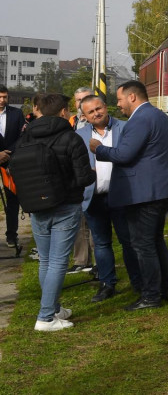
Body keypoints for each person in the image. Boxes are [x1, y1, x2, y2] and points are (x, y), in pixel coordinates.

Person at [90, 81, 168, 311]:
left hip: (144, 193)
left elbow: (124, 154)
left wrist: (98, 148)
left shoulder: (139, 119)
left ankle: (150, 296)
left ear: (132, 97)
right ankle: (162, 290)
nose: (117, 105)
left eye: (119, 100)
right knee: (156, 242)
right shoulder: (159, 116)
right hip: (160, 189)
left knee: (143, 245)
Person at [17, 93, 95, 331]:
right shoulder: (70, 138)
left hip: (37, 206)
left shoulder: (26, 136)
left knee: (46, 260)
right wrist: (92, 172)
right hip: (66, 205)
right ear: (63, 112)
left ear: (39, 110)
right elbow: (83, 177)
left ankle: (53, 307)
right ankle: (46, 317)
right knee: (59, 261)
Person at [77, 94, 140, 302]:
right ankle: (107, 284)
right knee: (101, 243)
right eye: (91, 112)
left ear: (105, 106)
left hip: (122, 196)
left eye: (98, 108)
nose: (96, 113)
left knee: (128, 241)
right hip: (94, 197)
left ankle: (137, 281)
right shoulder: (79, 135)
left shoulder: (125, 128)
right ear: (84, 116)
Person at [67, 87, 95, 274]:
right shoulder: (72, 122)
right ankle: (80, 260)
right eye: (78, 100)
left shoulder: (95, 121)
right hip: (76, 176)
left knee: (93, 221)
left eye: (84, 98)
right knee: (78, 221)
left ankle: (97, 260)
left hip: (92, 173)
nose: (80, 103)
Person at [0, 85, 27, 249]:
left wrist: (8, 153)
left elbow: (22, 136)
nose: (2, 100)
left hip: (10, 160)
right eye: (0, 97)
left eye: (5, 97)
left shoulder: (16, 114)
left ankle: (12, 235)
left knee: (12, 200)